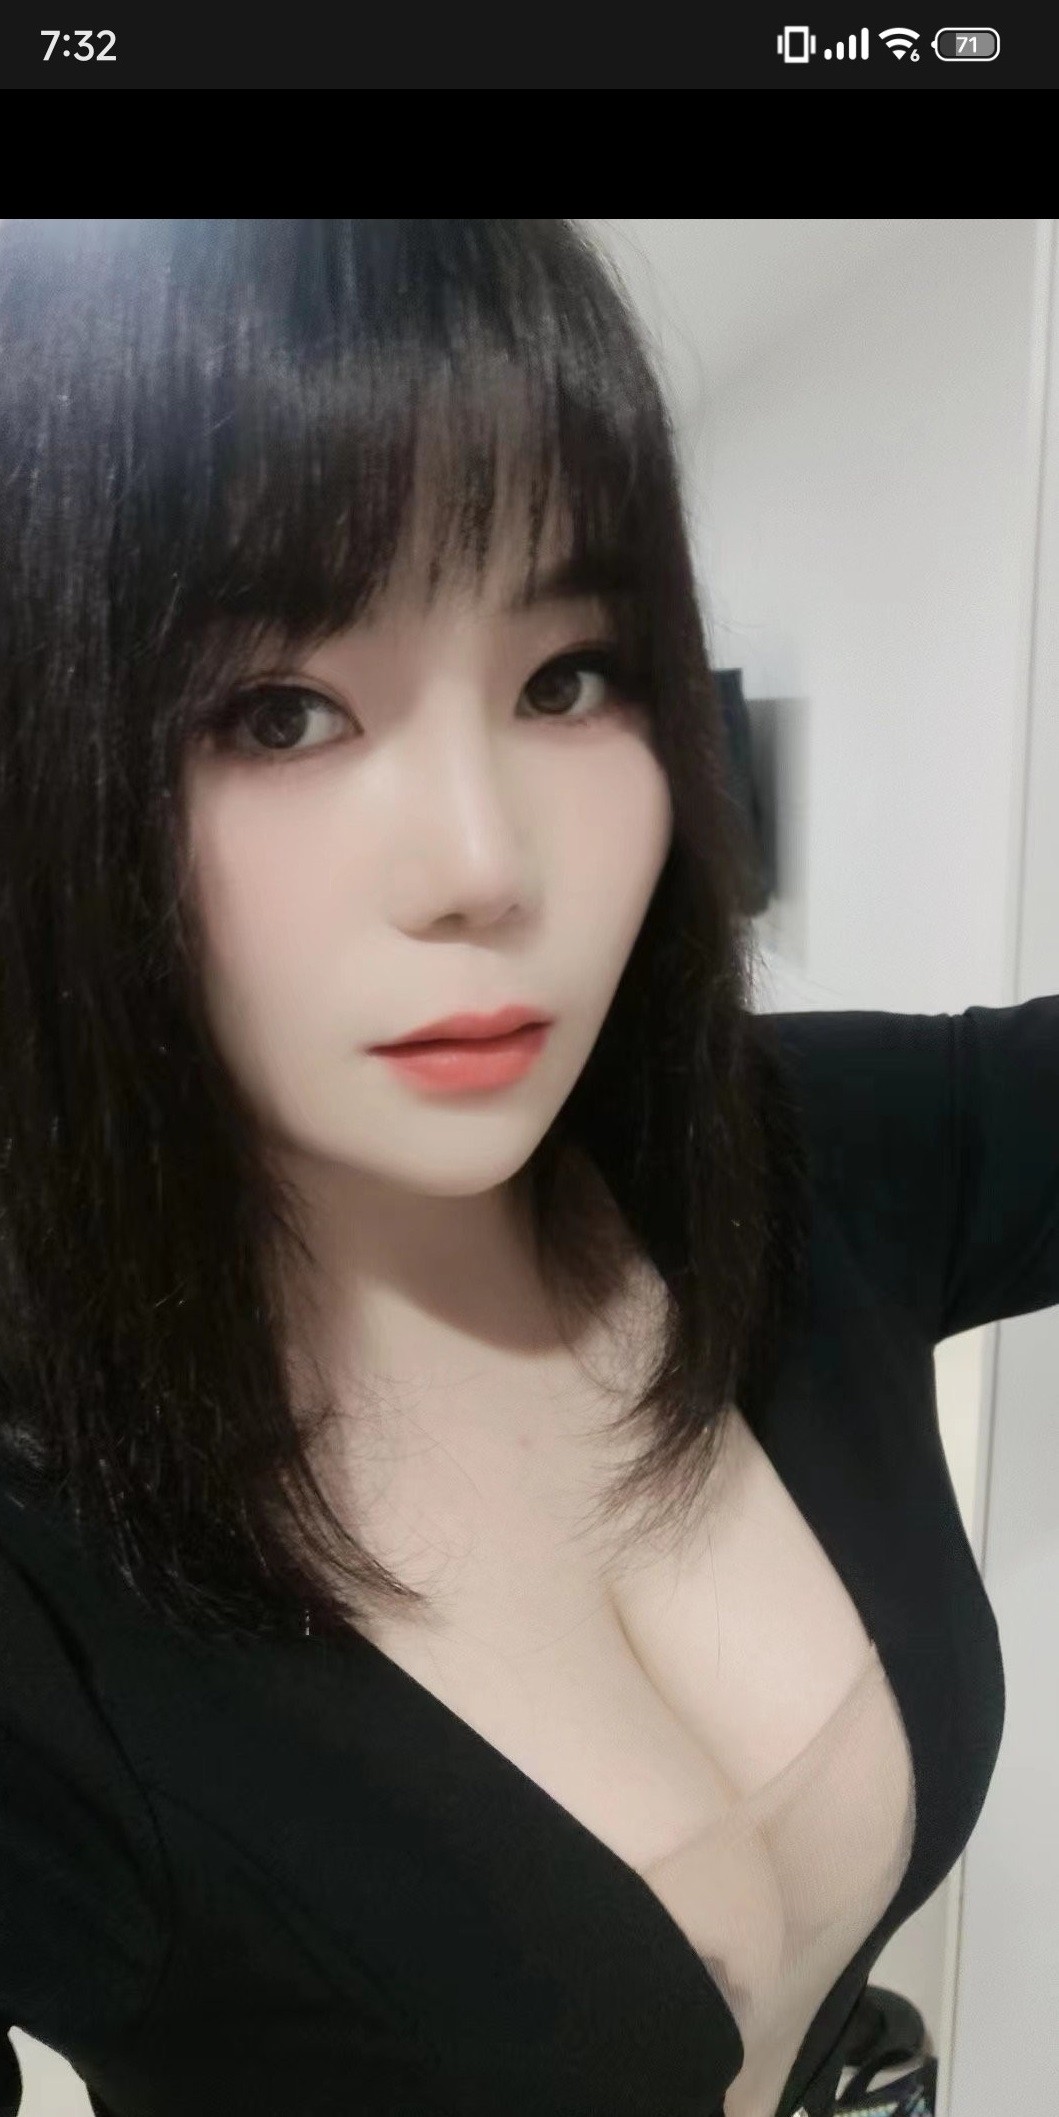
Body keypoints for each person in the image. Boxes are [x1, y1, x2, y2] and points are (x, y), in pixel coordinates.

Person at [0, 218, 1054, 2117]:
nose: (488, 865)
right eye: (277, 710)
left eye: (568, 677)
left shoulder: (793, 1156)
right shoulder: (41, 1556)